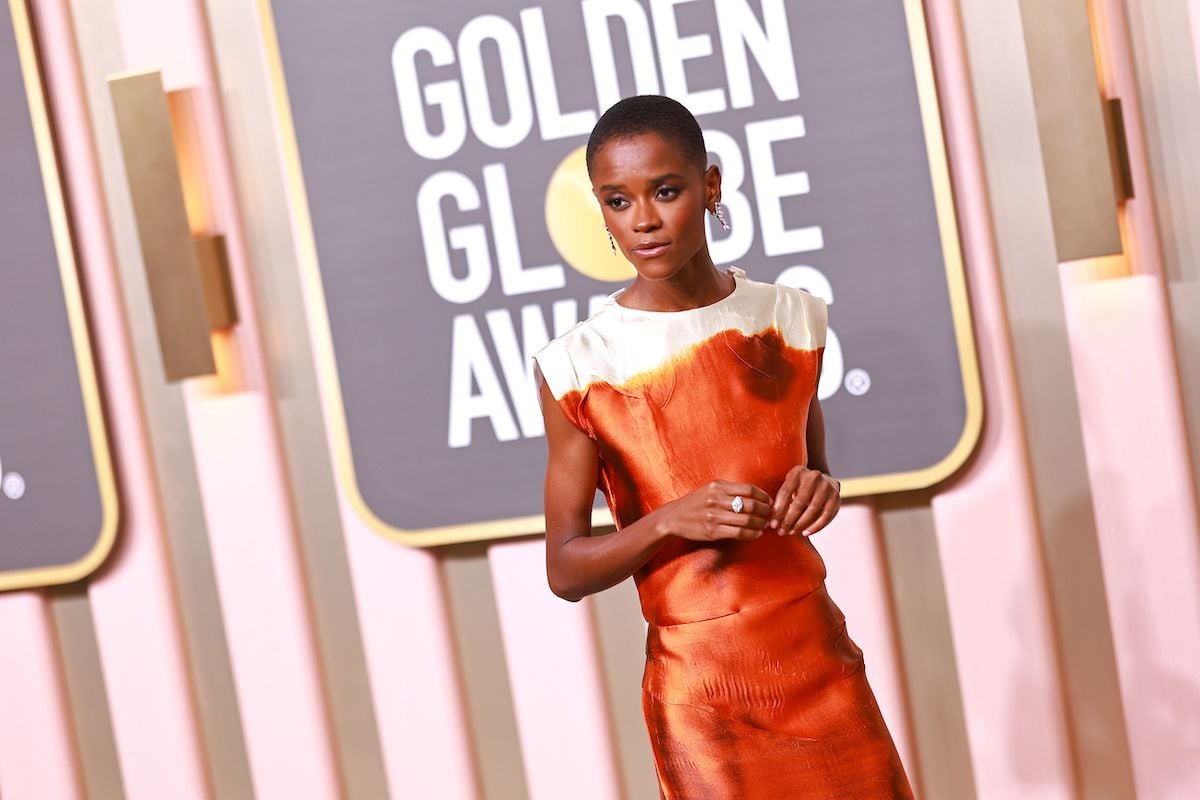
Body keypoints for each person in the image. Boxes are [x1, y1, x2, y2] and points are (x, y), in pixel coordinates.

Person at [531, 94, 914, 799]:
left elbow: (812, 472)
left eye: (666, 191)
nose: (642, 221)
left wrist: (822, 489)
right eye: (617, 202)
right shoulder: (580, 365)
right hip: (702, 696)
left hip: (818, 660)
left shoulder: (790, 317)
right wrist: (668, 519)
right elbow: (564, 568)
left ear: (710, 186)